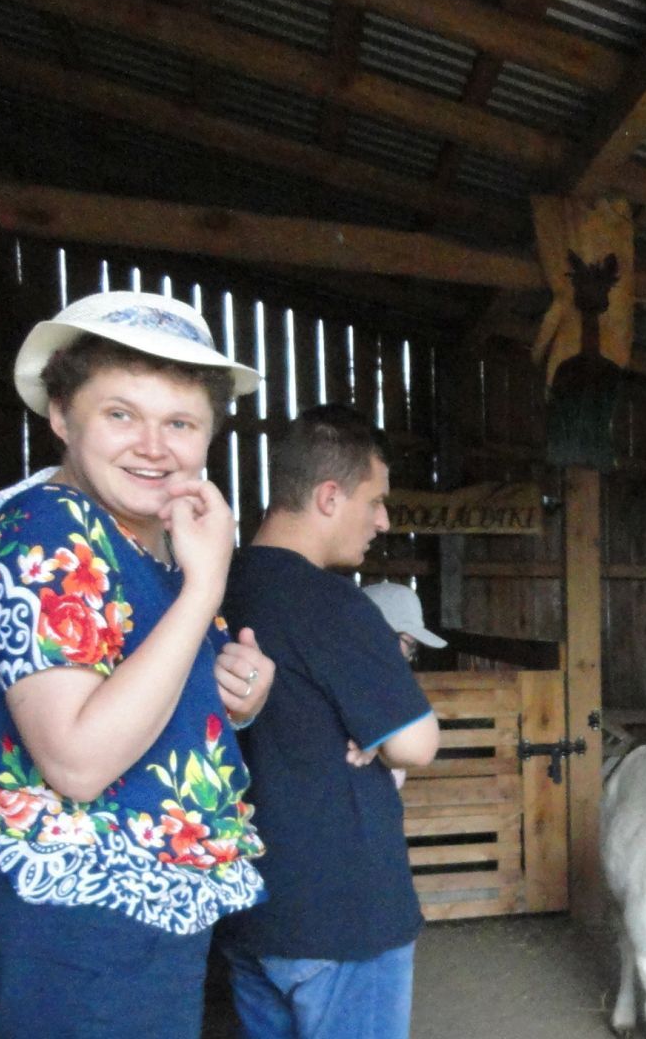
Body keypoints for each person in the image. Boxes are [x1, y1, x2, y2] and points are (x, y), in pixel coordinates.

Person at [0, 291, 274, 1036]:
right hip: (69, 934)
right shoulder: (46, 534)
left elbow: (156, 697)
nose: (154, 446)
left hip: (126, 925)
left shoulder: (145, 541)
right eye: (120, 414)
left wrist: (239, 693)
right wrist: (208, 587)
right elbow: (80, 761)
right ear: (62, 416)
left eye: (180, 423)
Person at [219, 405, 441, 1039]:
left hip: (250, 909)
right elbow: (415, 742)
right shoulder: (332, 603)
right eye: (375, 500)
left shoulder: (214, 586)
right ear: (327, 496)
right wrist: (382, 739)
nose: (383, 520)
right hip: (344, 913)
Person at [362, 581, 448, 789]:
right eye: (407, 643)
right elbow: (418, 753)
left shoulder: (382, 686)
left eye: (412, 647)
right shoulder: (348, 688)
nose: (408, 657)